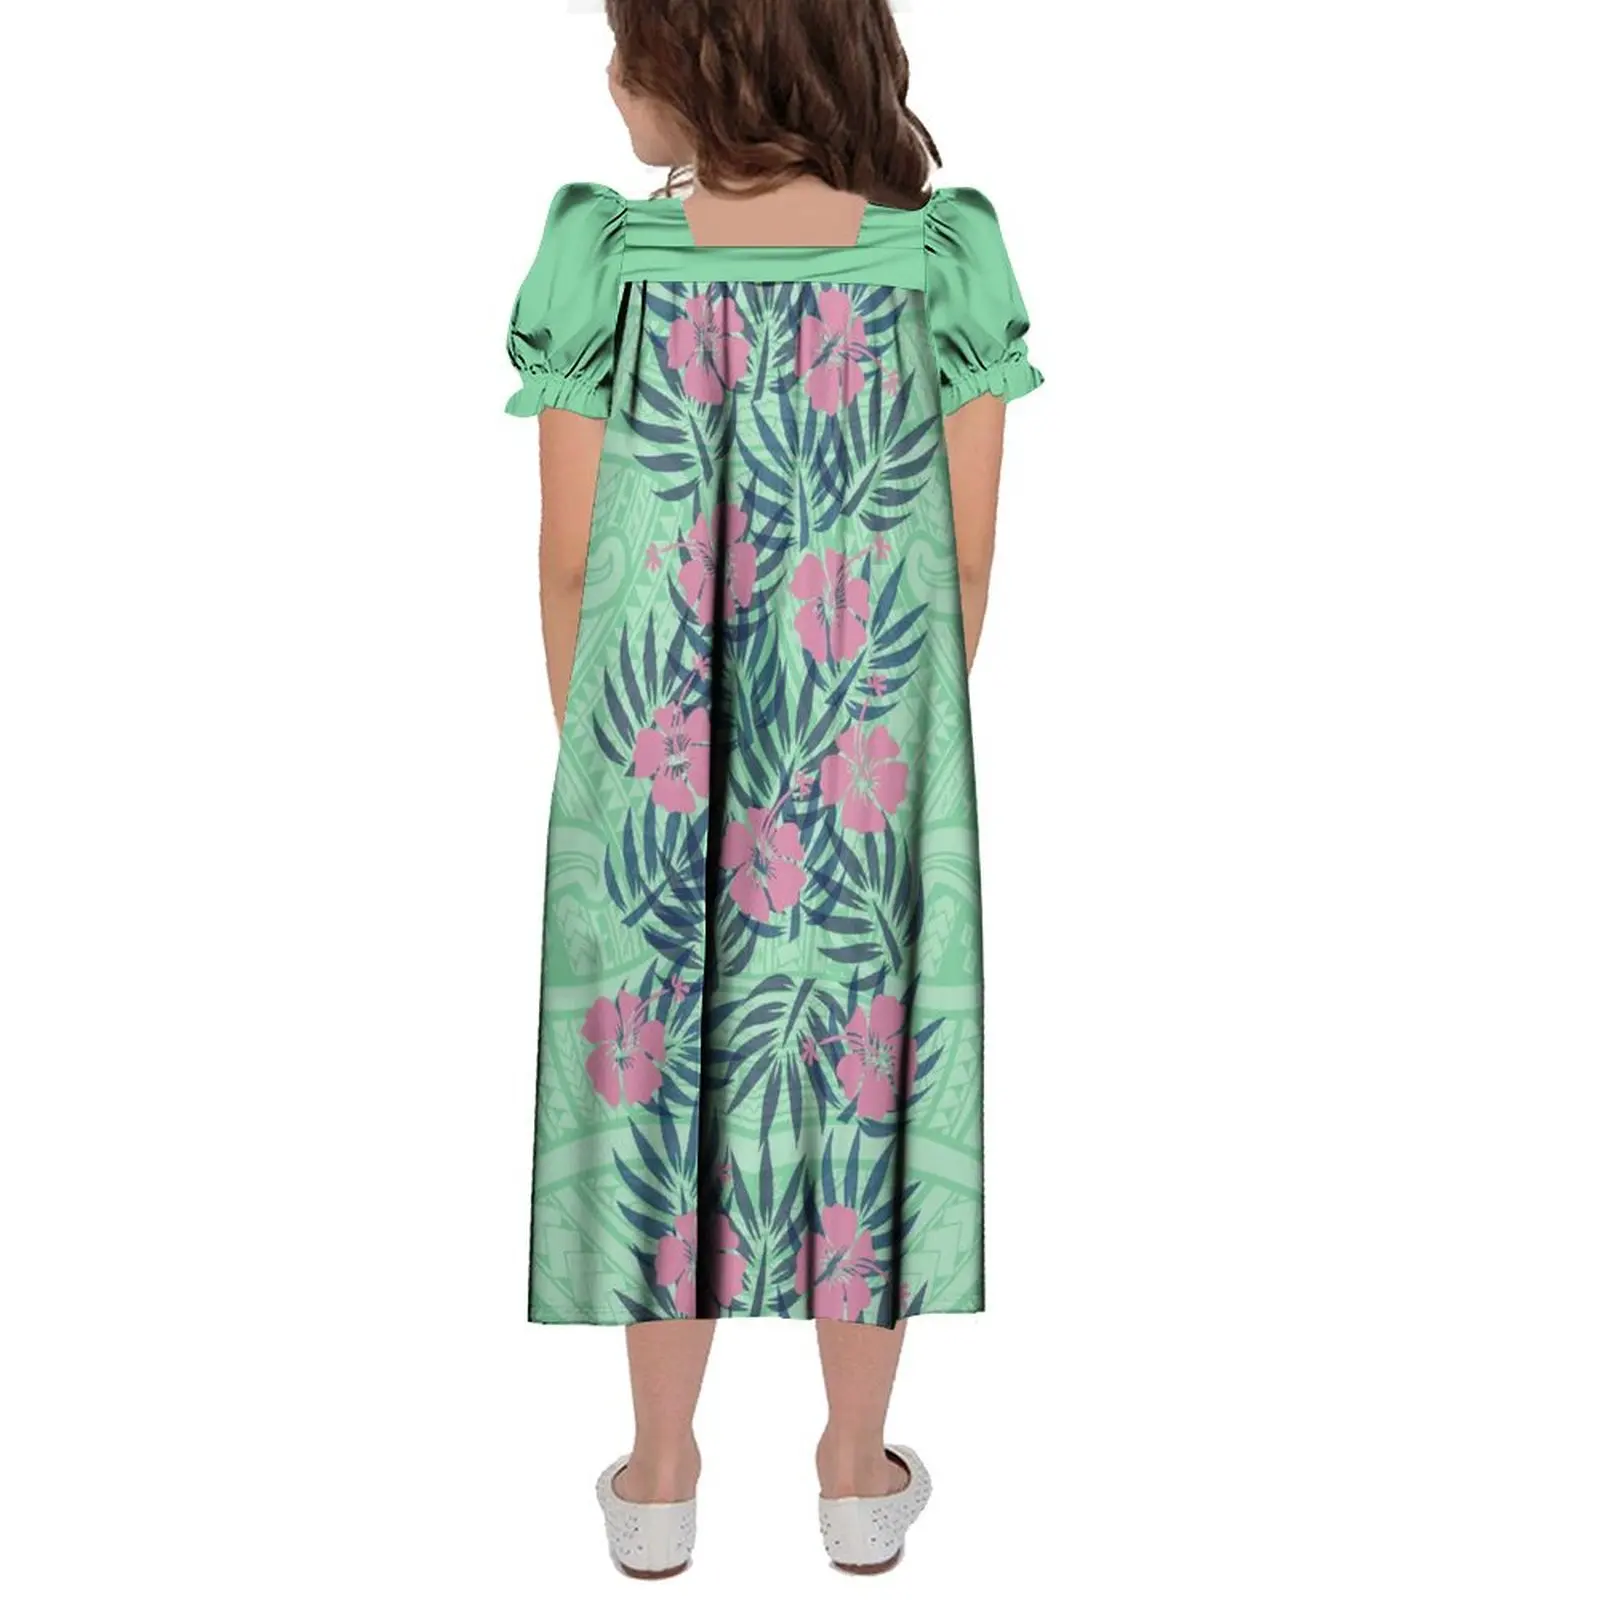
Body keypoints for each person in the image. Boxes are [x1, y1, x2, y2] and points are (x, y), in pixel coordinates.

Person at [502, 0, 1041, 1577]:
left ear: (700, 66)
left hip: (650, 767)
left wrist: (616, 775)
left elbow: (569, 564)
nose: (609, 74)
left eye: (628, 45)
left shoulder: (609, 263)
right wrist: (883, 759)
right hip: (870, 768)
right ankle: (857, 1475)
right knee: (859, 1085)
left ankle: (661, 1476)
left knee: (664, 1090)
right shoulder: (935, 264)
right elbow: (961, 566)